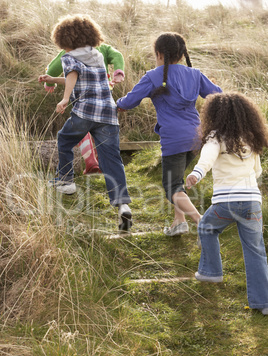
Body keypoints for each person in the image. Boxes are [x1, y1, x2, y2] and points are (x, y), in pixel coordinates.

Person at [116, 32, 222, 236]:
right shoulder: (195, 74)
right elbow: (218, 94)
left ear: (159, 54)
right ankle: (178, 221)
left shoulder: (153, 76)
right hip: (196, 137)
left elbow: (129, 101)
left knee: (172, 187)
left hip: (174, 139)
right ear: (182, 55)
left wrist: (118, 105)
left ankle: (202, 223)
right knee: (178, 180)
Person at [39, 14, 132, 231]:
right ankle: (123, 206)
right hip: (107, 115)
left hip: (85, 112)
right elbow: (81, 76)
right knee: (111, 159)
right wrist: (53, 80)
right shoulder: (97, 55)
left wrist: (64, 99)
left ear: (64, 39)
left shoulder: (69, 56)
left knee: (64, 139)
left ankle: (66, 180)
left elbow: (72, 74)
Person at [186, 92, 268, 316]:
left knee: (206, 227)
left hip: (227, 203)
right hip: (252, 201)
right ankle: (263, 303)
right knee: (256, 250)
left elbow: (207, 158)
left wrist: (196, 174)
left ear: (215, 114)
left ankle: (211, 271)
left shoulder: (215, 136)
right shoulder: (250, 137)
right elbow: (257, 171)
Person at [42, 43, 125, 175]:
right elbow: (117, 55)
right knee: (100, 130)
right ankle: (102, 164)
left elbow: (54, 66)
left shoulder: (70, 51)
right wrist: (118, 71)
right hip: (104, 96)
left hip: (83, 99)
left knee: (80, 128)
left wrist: (50, 82)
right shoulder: (103, 48)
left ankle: (90, 160)